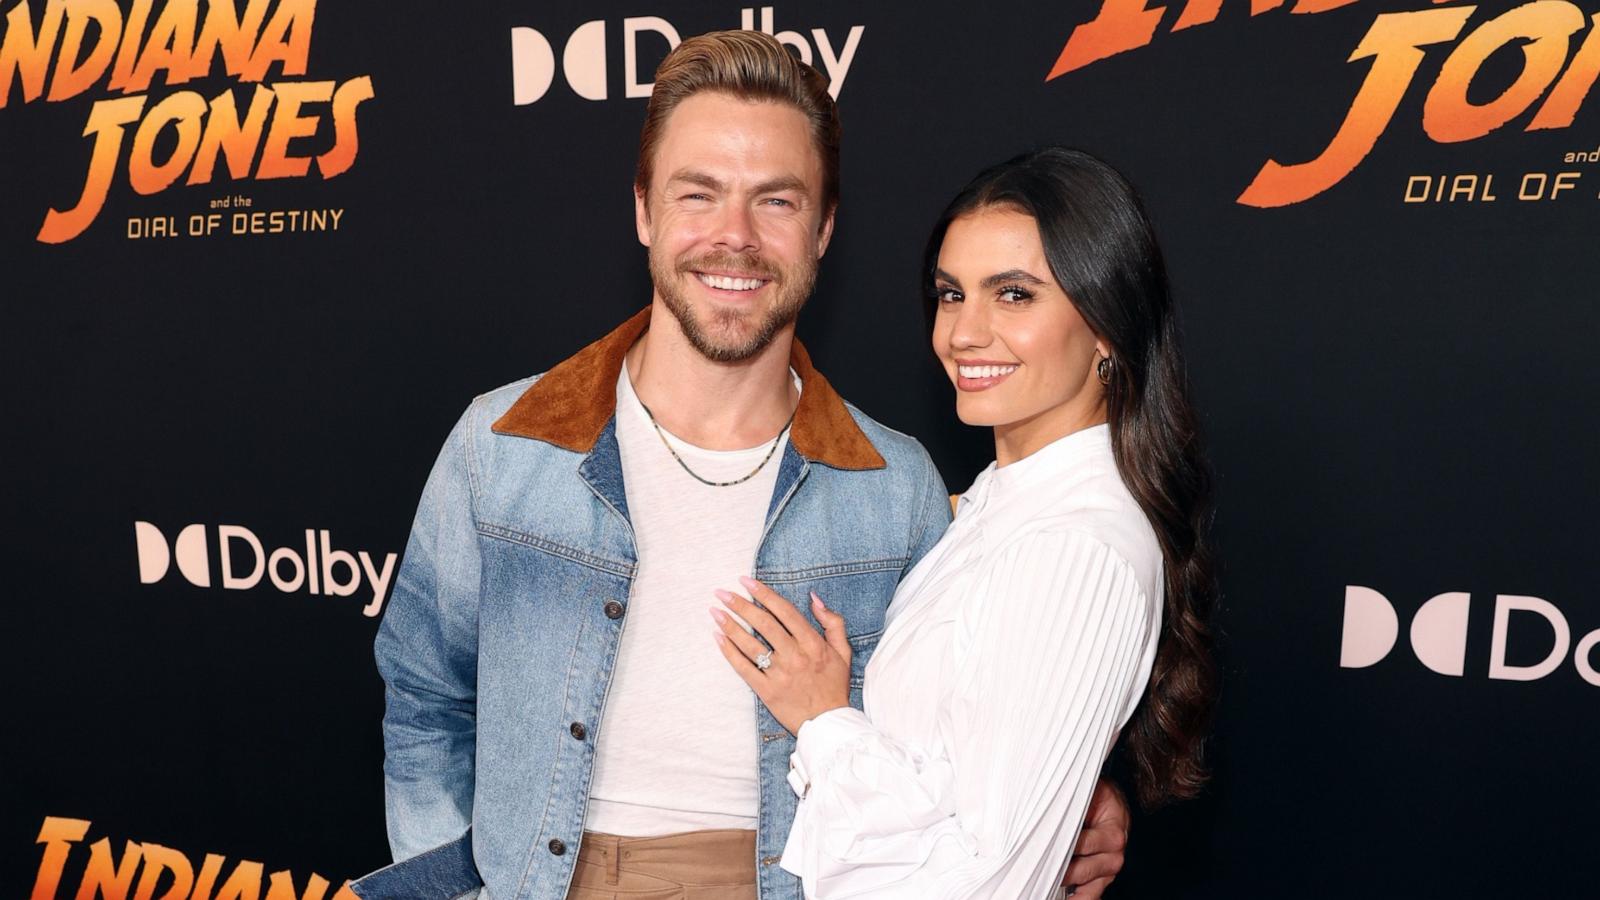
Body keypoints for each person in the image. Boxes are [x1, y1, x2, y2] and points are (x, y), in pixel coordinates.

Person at [350, 33, 1130, 900]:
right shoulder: (502, 447)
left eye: (777, 202)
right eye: (699, 194)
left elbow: (955, 735)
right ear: (645, 210)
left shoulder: (895, 485)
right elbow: (425, 699)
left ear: (825, 227)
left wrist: (1069, 797)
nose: (735, 238)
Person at [712, 147, 1216, 898]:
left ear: (1107, 324)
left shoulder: (1074, 549)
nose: (964, 333)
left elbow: (987, 883)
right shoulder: (998, 504)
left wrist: (824, 719)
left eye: (1014, 294)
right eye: (952, 294)